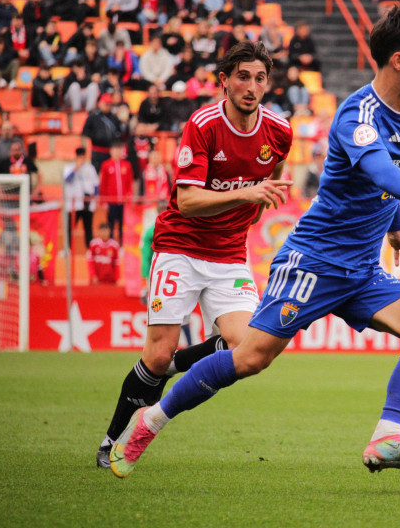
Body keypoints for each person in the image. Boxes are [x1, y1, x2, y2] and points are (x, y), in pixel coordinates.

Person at [108, 6, 400, 480]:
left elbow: (392, 174)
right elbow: (377, 168)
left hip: (362, 269)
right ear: (399, 60)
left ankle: (386, 436)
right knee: (249, 359)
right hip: (314, 262)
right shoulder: (356, 115)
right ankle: (150, 419)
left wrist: (397, 225)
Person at [95, 41, 294, 469]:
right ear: (224, 81)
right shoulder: (202, 124)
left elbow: (273, 172)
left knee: (247, 349)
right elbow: (186, 201)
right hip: (181, 249)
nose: (252, 86)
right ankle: (111, 439)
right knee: (157, 354)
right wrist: (249, 192)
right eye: (243, 76)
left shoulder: (279, 131)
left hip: (229, 256)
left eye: (260, 78)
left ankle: (172, 372)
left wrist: (259, 199)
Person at [63, 147, 99, 249]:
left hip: (87, 202)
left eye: (83, 156)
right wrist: (76, 168)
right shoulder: (69, 167)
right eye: (80, 156)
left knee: (88, 228)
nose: (81, 159)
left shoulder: (90, 168)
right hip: (74, 204)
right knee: (70, 227)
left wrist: (95, 197)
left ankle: (90, 250)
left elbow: (96, 184)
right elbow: (67, 179)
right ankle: (67, 248)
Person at [98, 142, 134, 244]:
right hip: (111, 202)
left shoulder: (126, 165)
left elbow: (129, 183)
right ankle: (111, 244)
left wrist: (129, 197)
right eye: (115, 150)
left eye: (119, 150)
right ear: (111, 151)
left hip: (123, 201)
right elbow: (103, 184)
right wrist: (104, 201)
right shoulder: (106, 165)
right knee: (111, 224)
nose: (117, 152)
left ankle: (123, 244)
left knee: (123, 224)